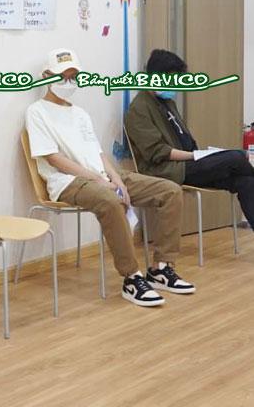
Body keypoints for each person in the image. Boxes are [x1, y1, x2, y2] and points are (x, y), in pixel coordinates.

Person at [26, 48, 194, 307]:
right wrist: (99, 181)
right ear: (46, 76)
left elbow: (98, 153)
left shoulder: (80, 114)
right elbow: (54, 159)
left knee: (170, 190)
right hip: (67, 181)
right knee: (110, 200)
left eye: (73, 77)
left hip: (102, 175)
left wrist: (115, 178)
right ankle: (132, 278)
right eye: (63, 77)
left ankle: (161, 268)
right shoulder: (37, 112)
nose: (68, 83)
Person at [126, 48, 254, 229]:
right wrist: (195, 156)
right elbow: (157, 152)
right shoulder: (138, 109)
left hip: (189, 165)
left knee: (247, 181)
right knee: (237, 157)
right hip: (168, 170)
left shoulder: (167, 103)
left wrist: (200, 155)